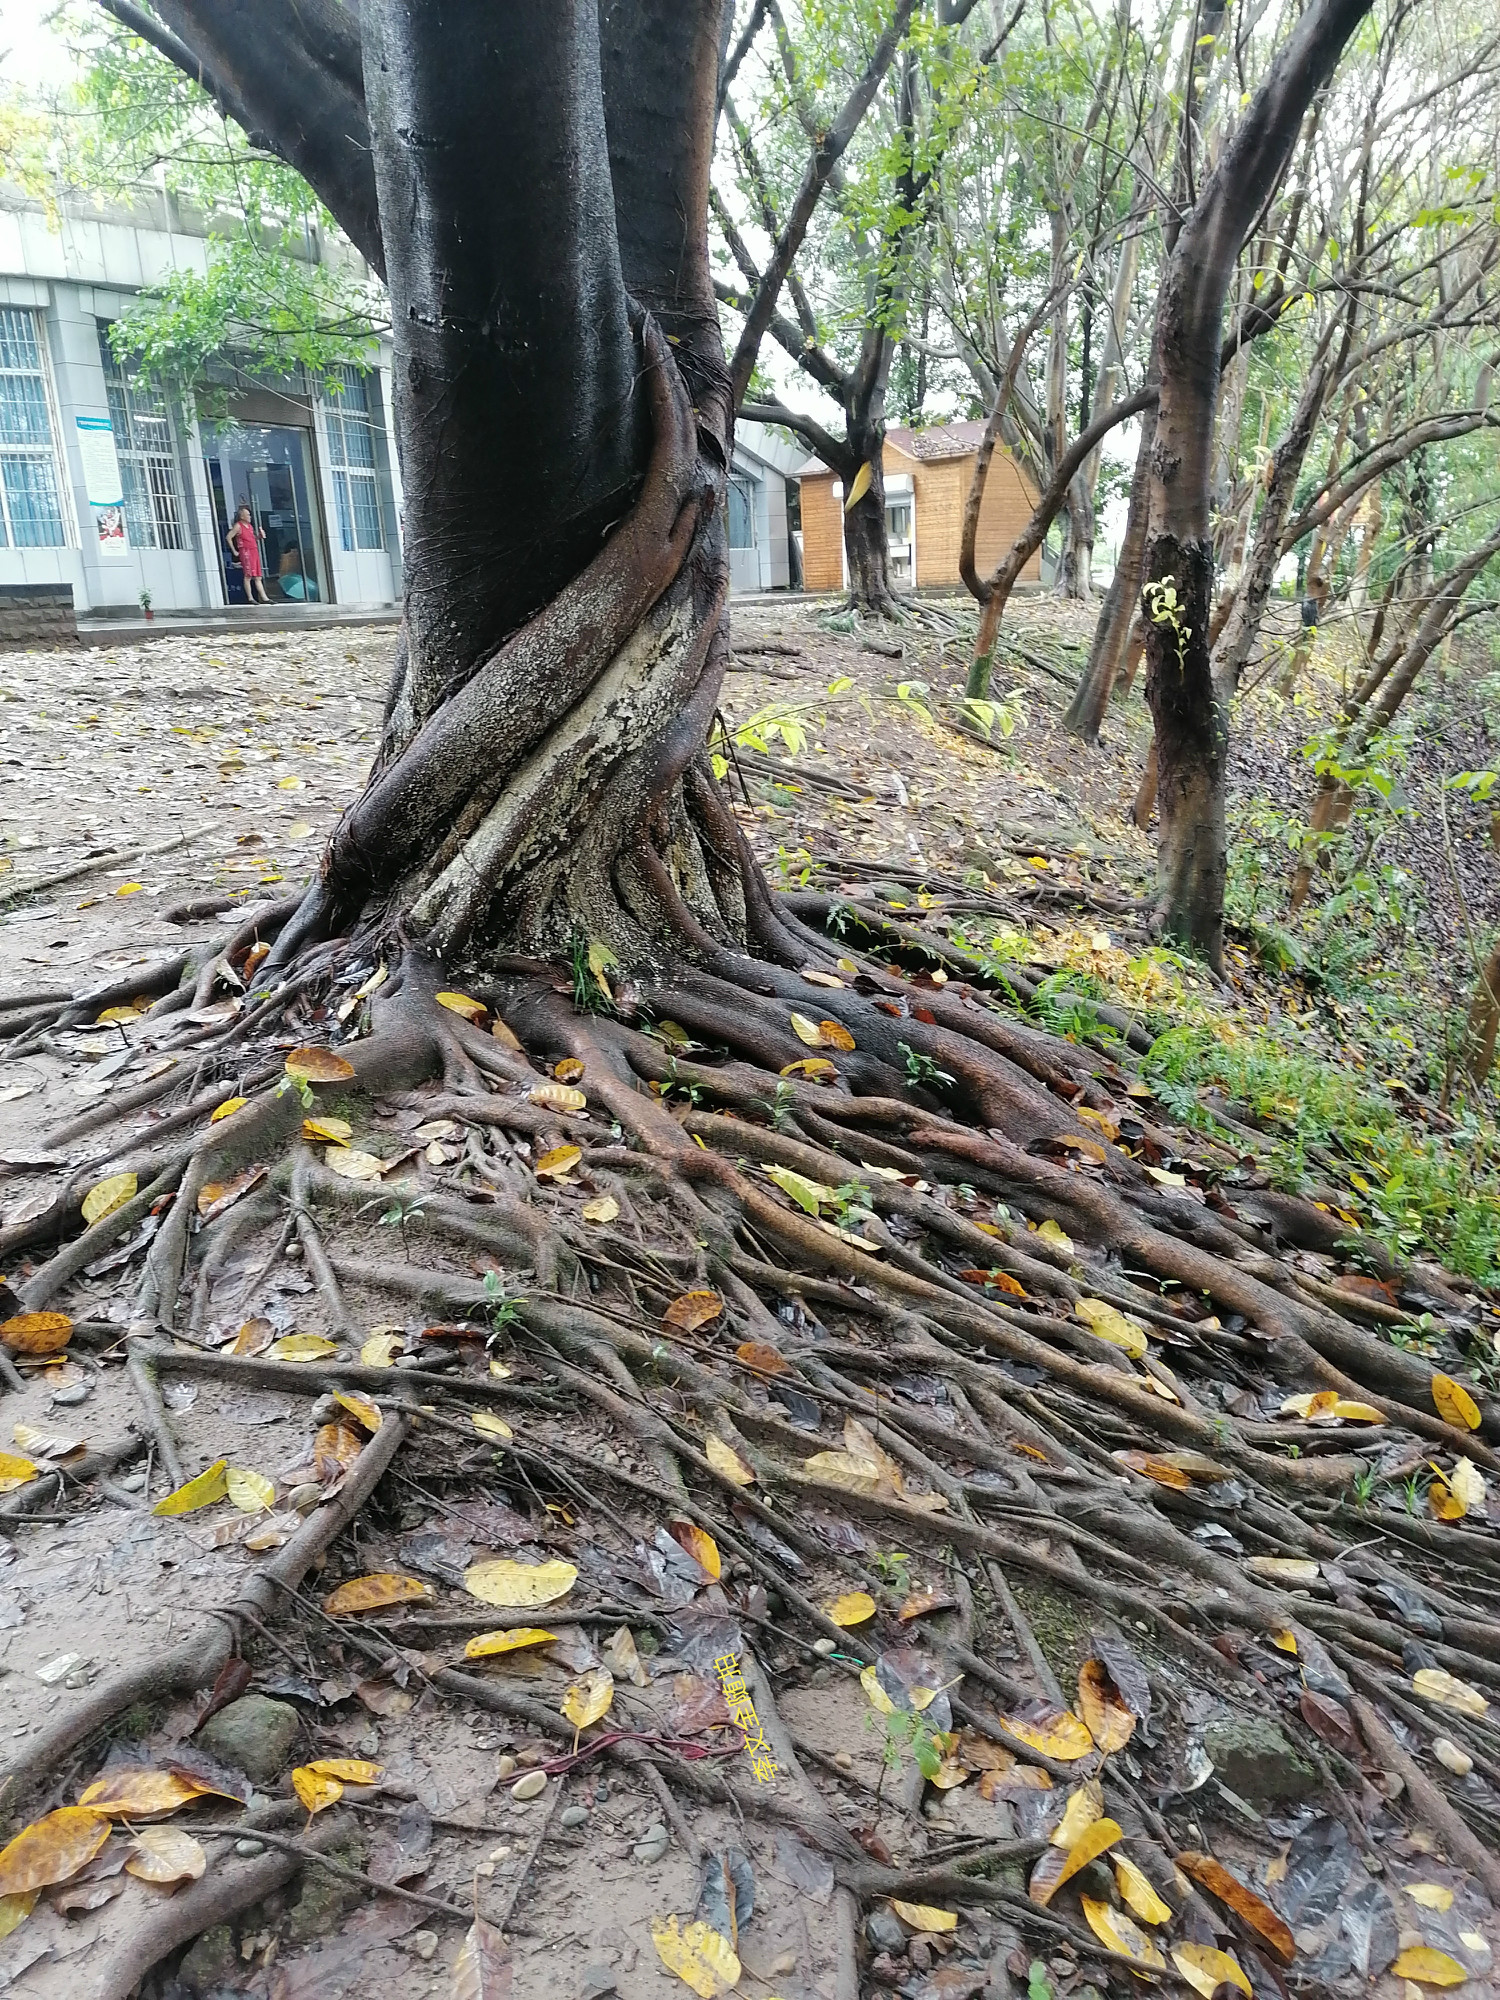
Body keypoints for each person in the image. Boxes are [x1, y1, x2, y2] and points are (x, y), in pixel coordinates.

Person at [227, 504, 269, 604]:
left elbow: (251, 539)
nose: (250, 516)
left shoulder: (249, 526)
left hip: (253, 550)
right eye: (248, 515)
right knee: (248, 575)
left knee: (258, 575)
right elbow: (229, 537)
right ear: (242, 516)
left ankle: (264, 597)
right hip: (246, 552)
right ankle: (250, 598)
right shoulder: (238, 526)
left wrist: (259, 536)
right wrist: (234, 551)